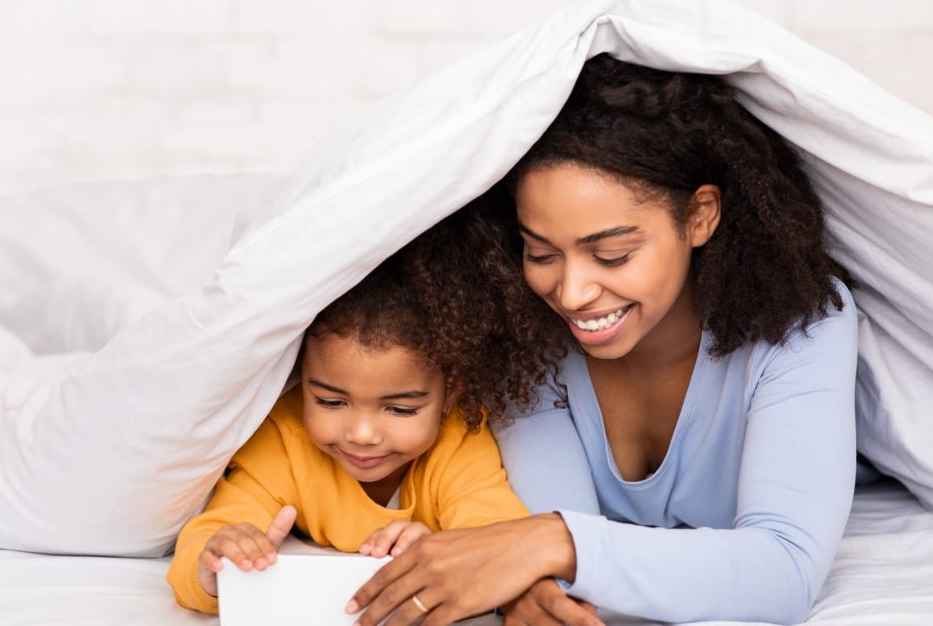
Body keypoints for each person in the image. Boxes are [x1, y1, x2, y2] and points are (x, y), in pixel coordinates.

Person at [346, 56, 859, 626]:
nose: (570, 292)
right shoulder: (523, 336)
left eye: (612, 254)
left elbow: (785, 571)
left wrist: (552, 544)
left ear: (700, 217)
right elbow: (547, 548)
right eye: (540, 253)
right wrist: (532, 585)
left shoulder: (802, 325)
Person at [165, 235, 532, 615]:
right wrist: (216, 567)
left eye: (400, 409)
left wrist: (448, 549)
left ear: (450, 394)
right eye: (330, 402)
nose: (361, 434)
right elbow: (205, 542)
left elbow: (499, 533)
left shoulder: (459, 437)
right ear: (300, 378)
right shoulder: (283, 439)